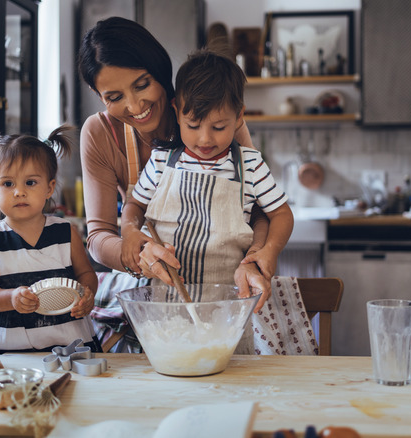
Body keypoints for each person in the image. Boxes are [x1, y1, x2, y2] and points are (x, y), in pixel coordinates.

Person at [77, 17, 272, 351]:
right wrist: (136, 252)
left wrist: (254, 260)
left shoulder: (210, 115)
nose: (135, 106)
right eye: (114, 96)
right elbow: (97, 235)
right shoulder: (98, 134)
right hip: (159, 293)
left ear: (159, 70)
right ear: (98, 96)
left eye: (142, 85)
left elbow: (259, 211)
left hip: (226, 290)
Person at [121, 50, 294, 289]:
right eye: (193, 125)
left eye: (219, 127)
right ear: (177, 112)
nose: (205, 139)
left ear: (239, 116)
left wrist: (269, 251)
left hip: (228, 297)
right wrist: (129, 233)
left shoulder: (250, 165)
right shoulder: (161, 161)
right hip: (165, 295)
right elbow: (135, 205)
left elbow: (282, 214)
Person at [0, 125, 100, 362]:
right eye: (7, 184)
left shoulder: (65, 232)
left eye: (30, 183)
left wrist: (87, 294)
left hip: (67, 341)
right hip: (6, 347)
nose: (19, 192)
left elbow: (86, 273)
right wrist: (10, 298)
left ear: (49, 187)